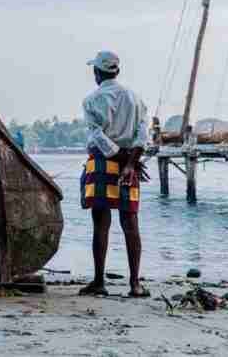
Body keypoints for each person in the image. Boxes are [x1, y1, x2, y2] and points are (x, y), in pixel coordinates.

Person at [79, 50, 150, 298]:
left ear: (97, 73)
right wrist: (131, 163)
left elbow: (98, 137)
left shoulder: (91, 101)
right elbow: (142, 137)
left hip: (101, 162)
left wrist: (122, 158)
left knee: (101, 224)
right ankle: (135, 284)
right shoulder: (135, 99)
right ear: (117, 71)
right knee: (130, 223)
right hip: (128, 162)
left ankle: (99, 282)